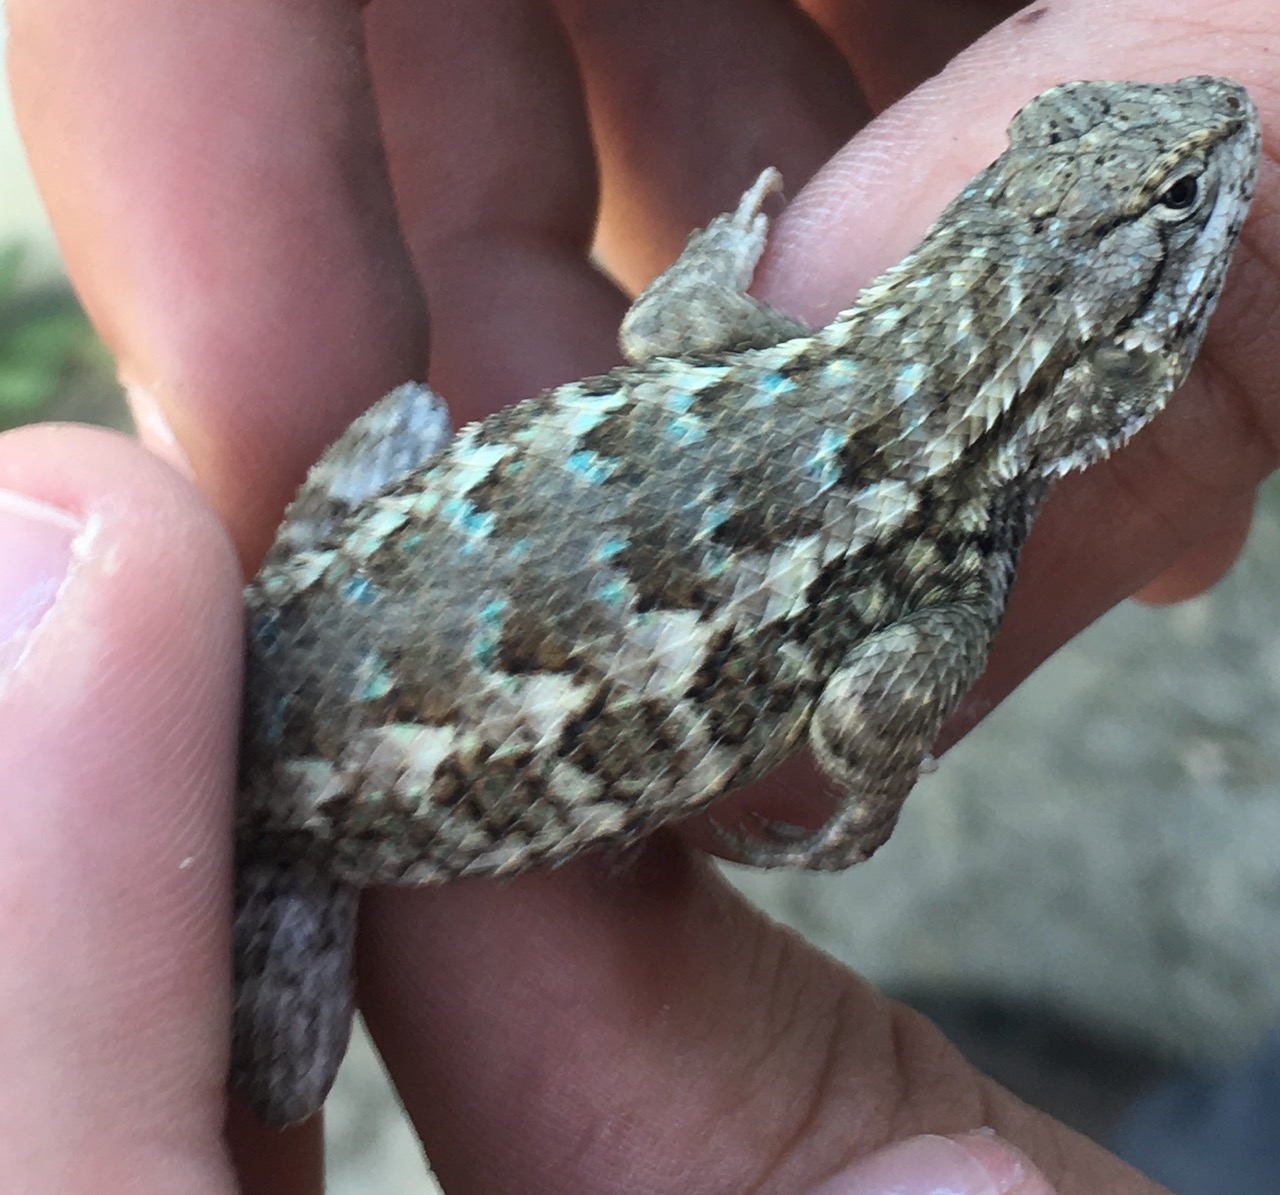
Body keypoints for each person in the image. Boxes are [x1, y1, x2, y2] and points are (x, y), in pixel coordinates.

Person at [3, 1, 1274, 1191]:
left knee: (401, 419)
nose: (1214, 124)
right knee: (279, 1076)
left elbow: (673, 332)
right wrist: (869, 799)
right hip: (312, 816)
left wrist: (724, 258)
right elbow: (855, 721)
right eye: (1176, 203)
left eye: (1167, 202)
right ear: (1112, 344)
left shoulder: (798, 373)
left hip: (316, 612)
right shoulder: (938, 560)